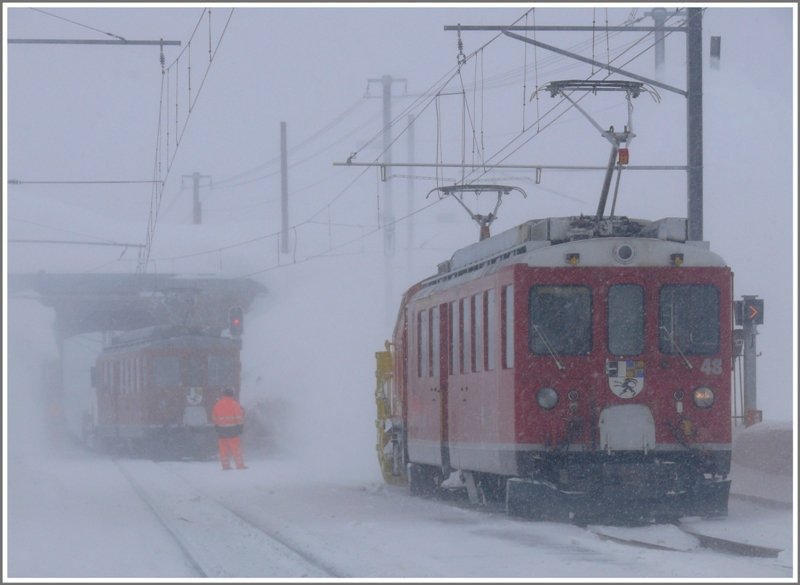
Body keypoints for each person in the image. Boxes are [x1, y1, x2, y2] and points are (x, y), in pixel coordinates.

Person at [211, 388, 247, 470]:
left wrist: (217, 426)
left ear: (223, 395)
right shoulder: (235, 404)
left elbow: (214, 417)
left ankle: (225, 466)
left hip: (221, 430)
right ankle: (240, 465)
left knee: (223, 450)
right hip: (233, 430)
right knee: (236, 449)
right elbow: (239, 417)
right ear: (232, 395)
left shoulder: (217, 404)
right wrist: (240, 427)